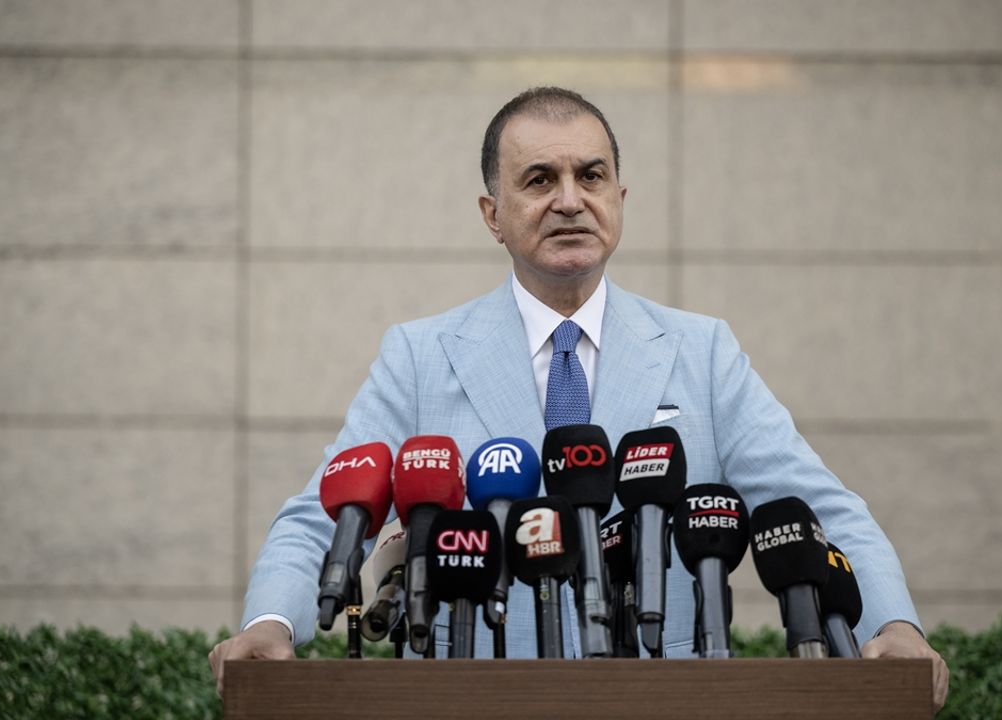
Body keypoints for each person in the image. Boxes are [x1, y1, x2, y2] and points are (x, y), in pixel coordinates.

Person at [210, 86, 949, 710]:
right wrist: (270, 622)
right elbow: (325, 517)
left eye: (591, 176)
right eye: (539, 180)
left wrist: (895, 626)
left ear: (619, 199)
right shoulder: (419, 355)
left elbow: (817, 508)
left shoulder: (702, 351)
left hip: (664, 702)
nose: (570, 200)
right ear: (492, 214)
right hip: (464, 700)